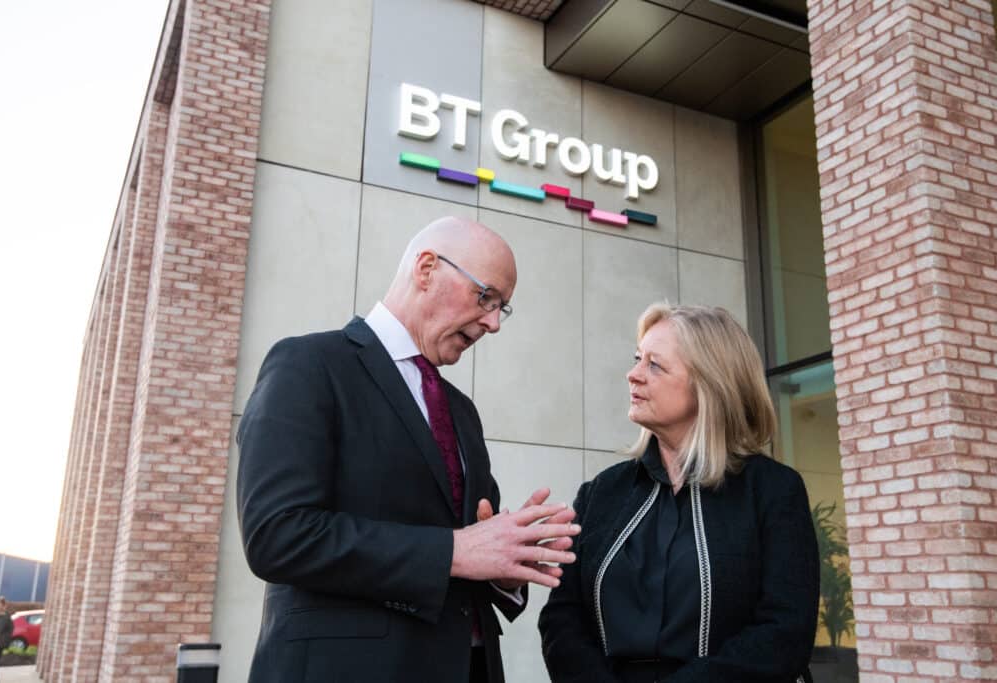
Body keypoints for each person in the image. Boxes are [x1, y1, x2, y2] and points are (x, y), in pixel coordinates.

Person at [237, 216, 580, 683]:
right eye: (486, 297)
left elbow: (472, 549)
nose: (494, 324)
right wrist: (455, 551)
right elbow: (277, 535)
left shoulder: (462, 411)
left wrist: (506, 566)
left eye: (504, 309)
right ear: (426, 269)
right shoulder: (309, 365)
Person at [539, 303, 819, 682]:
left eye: (655, 365)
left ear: (710, 383)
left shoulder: (772, 491)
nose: (632, 375)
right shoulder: (602, 493)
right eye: (638, 359)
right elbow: (562, 618)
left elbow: (785, 631)